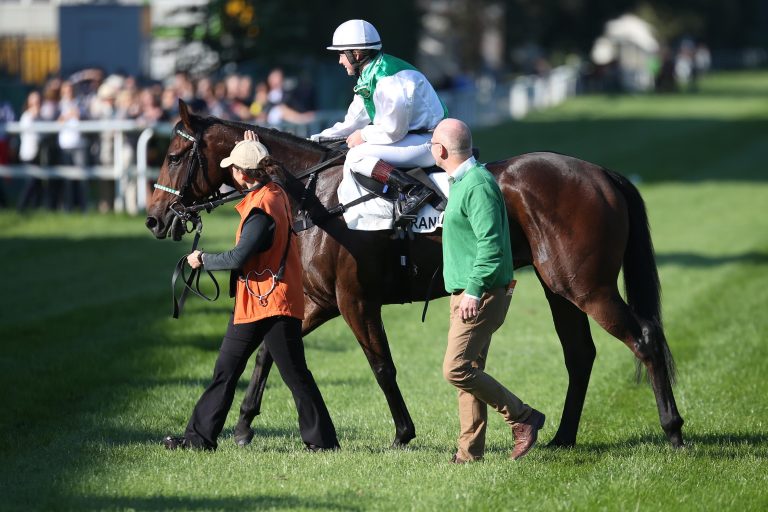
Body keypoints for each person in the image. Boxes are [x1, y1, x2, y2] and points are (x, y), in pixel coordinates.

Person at [163, 130, 339, 452]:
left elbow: (237, 258)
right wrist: (254, 146)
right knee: (225, 371)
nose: (230, 172)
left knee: (295, 376)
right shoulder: (274, 190)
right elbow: (273, 171)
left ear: (243, 174)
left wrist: (203, 259)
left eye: (234, 167)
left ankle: (323, 443)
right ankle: (198, 439)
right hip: (255, 301)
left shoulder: (261, 209)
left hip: (273, 304)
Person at [433, 118, 545, 463]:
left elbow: (491, 245)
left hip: (480, 293)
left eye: (432, 143)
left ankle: (523, 417)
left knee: (455, 368)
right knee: (469, 370)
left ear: (441, 150)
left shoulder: (477, 185)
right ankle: (469, 453)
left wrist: (473, 290)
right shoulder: (463, 181)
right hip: (467, 292)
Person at [310, 19, 446, 221]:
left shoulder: (388, 78)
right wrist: (316, 140)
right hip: (411, 139)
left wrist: (364, 135)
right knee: (351, 151)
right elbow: (352, 122)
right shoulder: (369, 75)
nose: (340, 61)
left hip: (429, 141)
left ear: (356, 54)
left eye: (341, 54)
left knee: (356, 156)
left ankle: (414, 190)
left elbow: (394, 130)